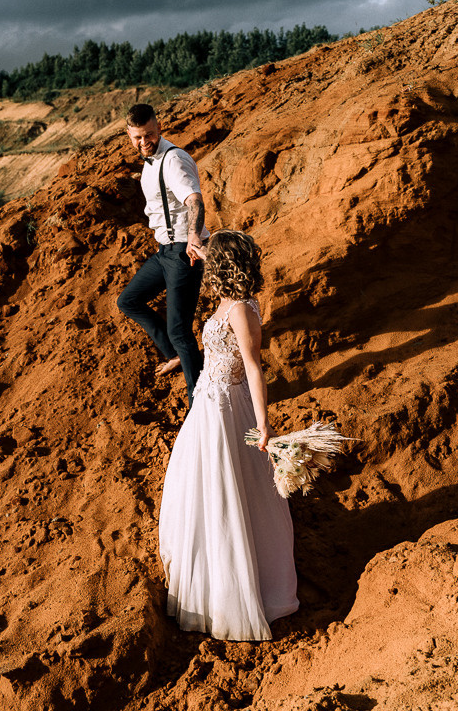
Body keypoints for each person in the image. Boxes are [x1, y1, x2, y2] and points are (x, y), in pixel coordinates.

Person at [156, 230, 299, 641]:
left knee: (226, 493)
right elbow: (221, 353)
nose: (204, 264)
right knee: (199, 486)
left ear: (222, 266)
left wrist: (264, 424)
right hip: (207, 403)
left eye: (210, 259)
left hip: (224, 411)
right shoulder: (227, 302)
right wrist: (195, 242)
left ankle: (237, 591)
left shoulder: (240, 310)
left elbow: (253, 367)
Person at [117, 103, 210, 405]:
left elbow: (194, 199)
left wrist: (194, 236)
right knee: (128, 300)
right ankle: (176, 355)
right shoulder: (149, 163)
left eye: (150, 135)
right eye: (138, 138)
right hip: (164, 252)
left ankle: (199, 401)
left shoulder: (173, 160)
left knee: (179, 329)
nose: (144, 142)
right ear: (129, 136)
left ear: (159, 128)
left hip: (184, 252)